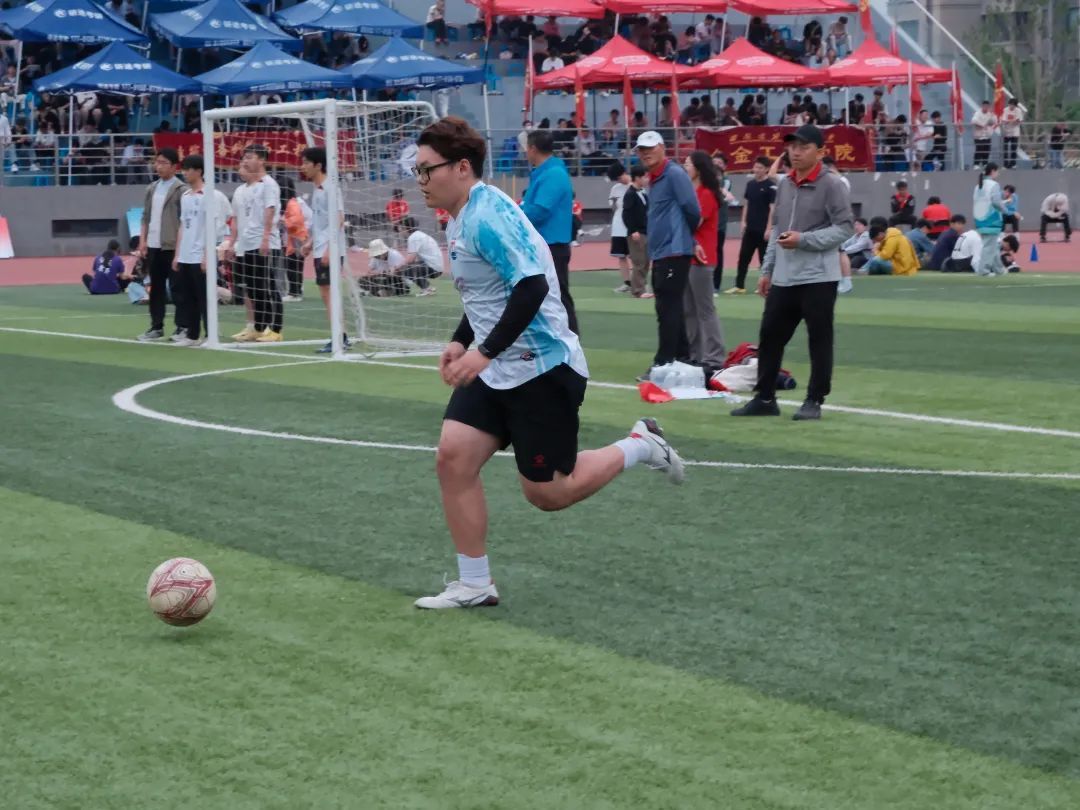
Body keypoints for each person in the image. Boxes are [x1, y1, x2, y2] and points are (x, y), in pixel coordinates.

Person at [409, 116, 684, 609]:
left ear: (462, 167)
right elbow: (490, 295)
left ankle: (640, 444)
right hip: (499, 365)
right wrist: (460, 340)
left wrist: (482, 352)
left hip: (542, 367)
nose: (420, 180)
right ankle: (475, 584)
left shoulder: (488, 214)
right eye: (418, 171)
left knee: (549, 494)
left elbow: (531, 286)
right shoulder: (462, 215)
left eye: (427, 169)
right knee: (453, 457)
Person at [731, 124, 853, 421]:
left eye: (803, 147)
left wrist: (805, 240)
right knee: (770, 336)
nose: (795, 152)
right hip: (785, 277)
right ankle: (765, 398)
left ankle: (814, 399)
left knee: (819, 339)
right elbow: (777, 230)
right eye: (792, 146)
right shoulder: (785, 184)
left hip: (819, 277)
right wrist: (767, 269)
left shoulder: (833, 185)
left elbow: (845, 227)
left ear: (820, 152)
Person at [634, 130, 700, 381]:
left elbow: (692, 209)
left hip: (674, 251)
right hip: (663, 252)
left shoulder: (673, 174)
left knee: (667, 308)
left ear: (662, 148)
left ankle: (663, 361)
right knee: (670, 306)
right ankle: (683, 358)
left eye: (650, 148)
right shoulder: (656, 178)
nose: (646, 153)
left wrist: (683, 237)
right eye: (642, 150)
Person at [522, 129, 578, 333]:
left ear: (533, 149)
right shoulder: (550, 172)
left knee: (557, 295)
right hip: (547, 244)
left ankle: (571, 337)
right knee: (548, 295)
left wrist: (514, 216)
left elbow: (539, 210)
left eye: (526, 148)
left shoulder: (552, 174)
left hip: (552, 245)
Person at [172, 154, 231, 346]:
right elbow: (183, 226)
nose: (184, 173)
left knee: (205, 296)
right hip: (186, 254)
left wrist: (207, 255)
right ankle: (192, 335)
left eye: (188, 169)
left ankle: (210, 334)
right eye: (183, 169)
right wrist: (177, 254)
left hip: (201, 254)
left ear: (198, 171)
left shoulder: (210, 195)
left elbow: (213, 226)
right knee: (188, 296)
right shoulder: (185, 196)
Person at [231, 144, 284, 340]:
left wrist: (265, 238)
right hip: (247, 243)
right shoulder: (245, 188)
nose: (245, 161)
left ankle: (276, 330)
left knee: (268, 286)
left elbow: (270, 210)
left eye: (250, 157)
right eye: (244, 157)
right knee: (253, 288)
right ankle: (259, 328)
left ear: (261, 160)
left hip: (264, 242)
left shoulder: (268, 183)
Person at [300, 146, 349, 354]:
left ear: (318, 165)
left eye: (306, 163)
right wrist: (310, 243)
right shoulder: (317, 189)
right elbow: (321, 223)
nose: (302, 167)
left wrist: (330, 248)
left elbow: (339, 218)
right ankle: (341, 335)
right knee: (327, 293)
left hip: (329, 250)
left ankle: (340, 336)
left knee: (329, 293)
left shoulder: (330, 187)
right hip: (321, 248)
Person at [682, 151, 727, 372]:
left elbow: (693, 223)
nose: (685, 167)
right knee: (690, 309)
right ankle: (696, 353)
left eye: (688, 164)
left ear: (698, 169)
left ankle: (714, 356)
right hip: (689, 256)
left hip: (702, 257)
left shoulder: (706, 194)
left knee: (704, 309)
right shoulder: (694, 192)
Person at [136, 148, 186, 342]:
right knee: (155, 288)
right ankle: (156, 326)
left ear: (174, 167)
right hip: (153, 244)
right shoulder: (152, 188)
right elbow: (145, 217)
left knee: (177, 287)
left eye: (164, 163)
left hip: (172, 245)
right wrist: (143, 241)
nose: (159, 166)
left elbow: (183, 220)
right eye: (157, 162)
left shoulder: (181, 189)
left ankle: (182, 326)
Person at [728, 155, 775, 295]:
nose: (757, 170)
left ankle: (765, 285)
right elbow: (747, 204)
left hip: (763, 229)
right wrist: (743, 221)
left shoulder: (771, 186)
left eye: (760, 167)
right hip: (750, 228)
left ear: (767, 169)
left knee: (764, 259)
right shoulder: (750, 184)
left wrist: (769, 228)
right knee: (743, 257)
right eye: (756, 167)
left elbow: (772, 209)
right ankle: (739, 285)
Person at [622, 165, 651, 298]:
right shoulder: (630, 194)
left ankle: (642, 286)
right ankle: (638, 290)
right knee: (639, 261)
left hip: (645, 231)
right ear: (638, 178)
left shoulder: (643, 193)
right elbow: (626, 214)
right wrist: (633, 230)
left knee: (646, 261)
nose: (647, 179)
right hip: (637, 232)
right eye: (645, 177)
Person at [972, 161, 1006, 276]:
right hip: (991, 218)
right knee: (989, 246)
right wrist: (1005, 210)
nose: (998, 174)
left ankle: (999, 269)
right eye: (997, 171)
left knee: (992, 245)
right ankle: (983, 271)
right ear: (993, 171)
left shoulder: (978, 186)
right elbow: (996, 202)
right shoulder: (994, 185)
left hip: (979, 218)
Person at [279, 176, 309, 303]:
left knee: (293, 265)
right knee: (293, 265)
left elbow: (297, 220)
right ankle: (295, 290)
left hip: (297, 238)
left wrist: (284, 221)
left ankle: (295, 292)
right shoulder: (291, 203)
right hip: (294, 237)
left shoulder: (293, 203)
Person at [400, 216, 444, 295]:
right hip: (436, 266)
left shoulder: (413, 237)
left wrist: (397, 267)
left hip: (434, 268)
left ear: (405, 228)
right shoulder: (419, 235)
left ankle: (426, 289)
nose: (400, 231)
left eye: (401, 228)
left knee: (407, 269)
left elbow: (410, 259)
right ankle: (428, 288)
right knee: (410, 267)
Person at [607, 162, 632, 294]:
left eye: (619, 177)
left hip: (632, 226)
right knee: (621, 256)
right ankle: (627, 283)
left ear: (624, 173)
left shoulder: (635, 185)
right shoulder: (615, 189)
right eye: (616, 179)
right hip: (618, 227)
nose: (619, 180)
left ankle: (640, 283)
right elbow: (612, 206)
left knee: (636, 257)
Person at [971, 100, 998, 169]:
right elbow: (973, 121)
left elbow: (995, 121)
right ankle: (976, 164)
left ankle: (985, 163)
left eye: (987, 106)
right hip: (979, 136)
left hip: (987, 135)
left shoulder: (990, 114)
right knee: (979, 149)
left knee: (987, 150)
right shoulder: (978, 113)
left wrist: (992, 115)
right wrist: (982, 125)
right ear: (982, 106)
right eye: (984, 106)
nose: (986, 108)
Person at [1000, 98, 1023, 169]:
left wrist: (1011, 121)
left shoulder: (1018, 110)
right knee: (1005, 148)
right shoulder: (1005, 110)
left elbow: (1019, 120)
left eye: (1013, 105)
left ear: (1015, 105)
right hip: (1006, 131)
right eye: (1010, 104)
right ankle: (1005, 164)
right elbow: (1003, 120)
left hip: (1015, 132)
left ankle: (1013, 164)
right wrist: (1011, 121)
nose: (1011, 106)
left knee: (1013, 148)